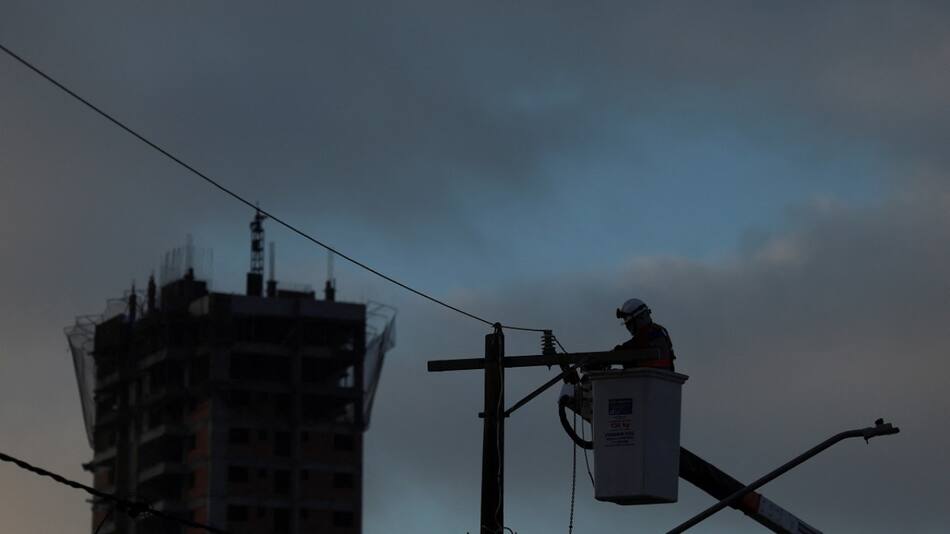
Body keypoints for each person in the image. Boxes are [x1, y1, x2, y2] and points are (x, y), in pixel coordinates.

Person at [614, 298, 675, 371]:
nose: (628, 327)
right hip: (655, 377)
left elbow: (635, 345)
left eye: (630, 323)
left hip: (652, 378)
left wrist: (618, 352)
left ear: (641, 317)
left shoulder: (652, 334)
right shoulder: (659, 331)